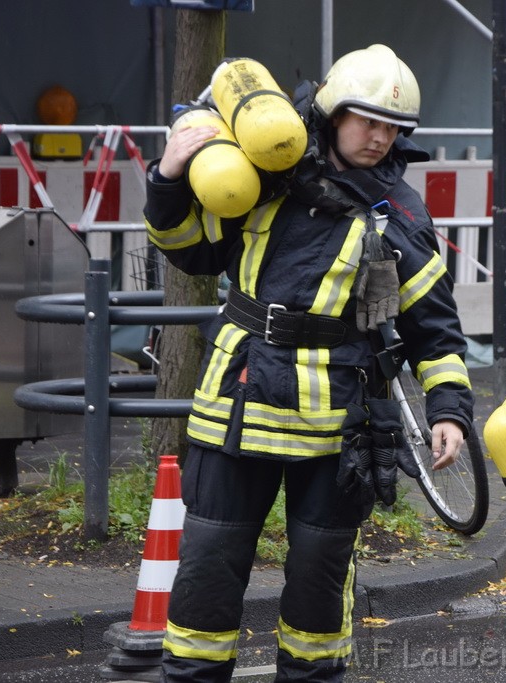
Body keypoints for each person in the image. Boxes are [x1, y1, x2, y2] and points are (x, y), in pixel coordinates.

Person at [143, 44, 474, 683]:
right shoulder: (268, 175)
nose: (379, 138)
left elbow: (430, 331)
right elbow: (192, 251)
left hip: (335, 427)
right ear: (332, 112)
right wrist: (167, 176)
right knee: (209, 567)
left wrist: (449, 413)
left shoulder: (398, 217)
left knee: (321, 583)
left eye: (392, 128)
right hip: (238, 402)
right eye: (366, 121)